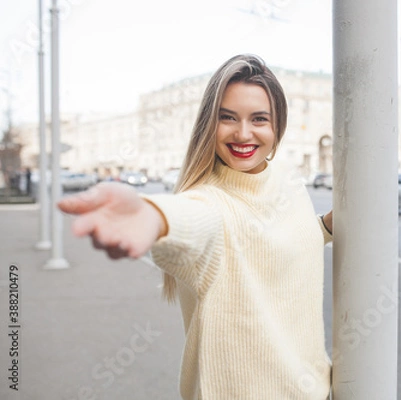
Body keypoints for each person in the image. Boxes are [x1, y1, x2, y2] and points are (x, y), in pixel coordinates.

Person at [58, 54, 334, 400]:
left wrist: (323, 227)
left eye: (259, 119)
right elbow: (193, 220)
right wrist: (151, 217)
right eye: (227, 118)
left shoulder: (285, 176)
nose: (243, 133)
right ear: (208, 124)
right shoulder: (208, 202)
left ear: (278, 125)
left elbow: (273, 238)